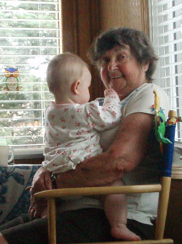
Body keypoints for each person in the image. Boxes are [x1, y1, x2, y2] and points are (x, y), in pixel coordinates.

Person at [0, 27, 169, 244]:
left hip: (118, 218)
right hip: (71, 208)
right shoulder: (96, 107)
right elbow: (65, 147)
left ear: (145, 63)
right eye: (105, 60)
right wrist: (42, 172)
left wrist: (54, 181)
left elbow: (119, 162)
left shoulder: (149, 95)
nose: (111, 66)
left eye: (121, 57)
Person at [42, 52, 138, 240]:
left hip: (56, 173)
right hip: (83, 168)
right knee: (115, 187)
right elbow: (110, 116)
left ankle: (45, 220)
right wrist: (111, 96)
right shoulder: (86, 111)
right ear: (77, 87)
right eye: (87, 86)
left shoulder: (50, 113)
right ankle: (118, 225)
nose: (89, 91)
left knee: (49, 207)